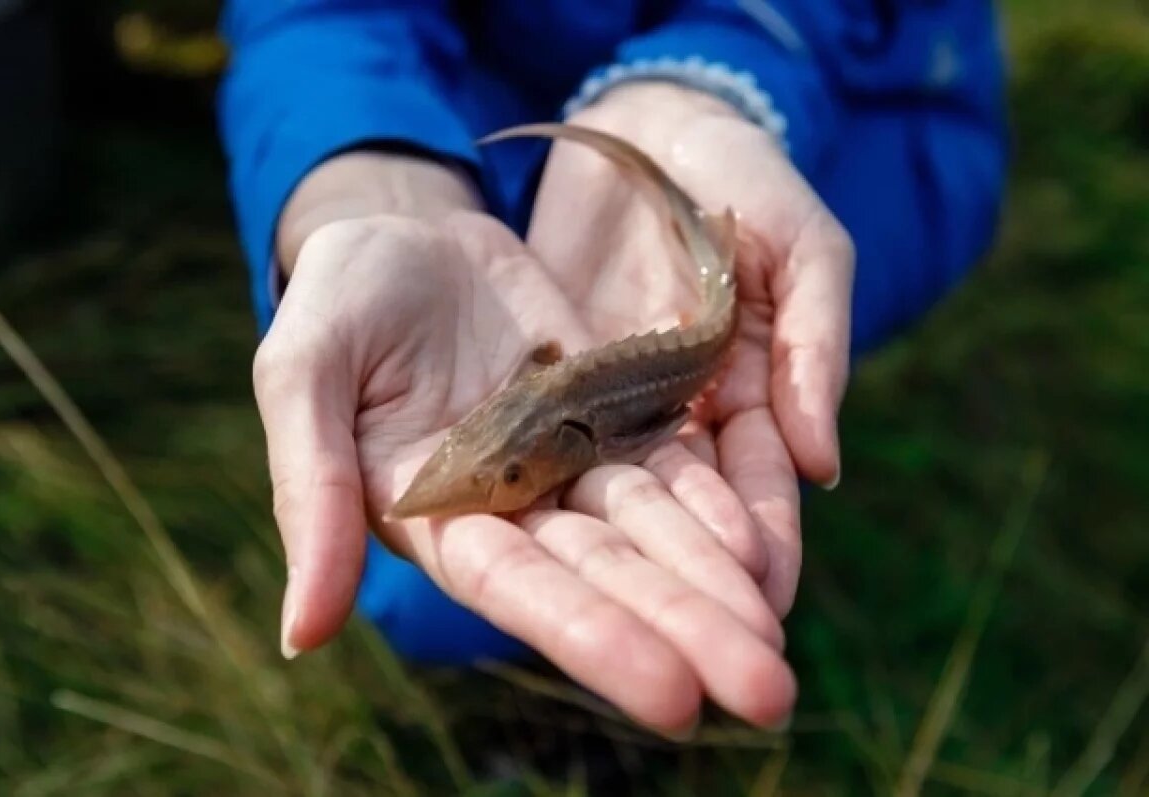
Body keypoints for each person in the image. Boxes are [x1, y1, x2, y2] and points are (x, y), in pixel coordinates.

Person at [217, 0, 1006, 738]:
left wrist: (710, 81)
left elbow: (662, 412)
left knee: (724, 491)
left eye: (514, 471)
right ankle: (559, 690)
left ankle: (622, 713)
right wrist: (365, 174)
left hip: (873, 87)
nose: (497, 476)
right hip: (475, 101)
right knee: (418, 580)